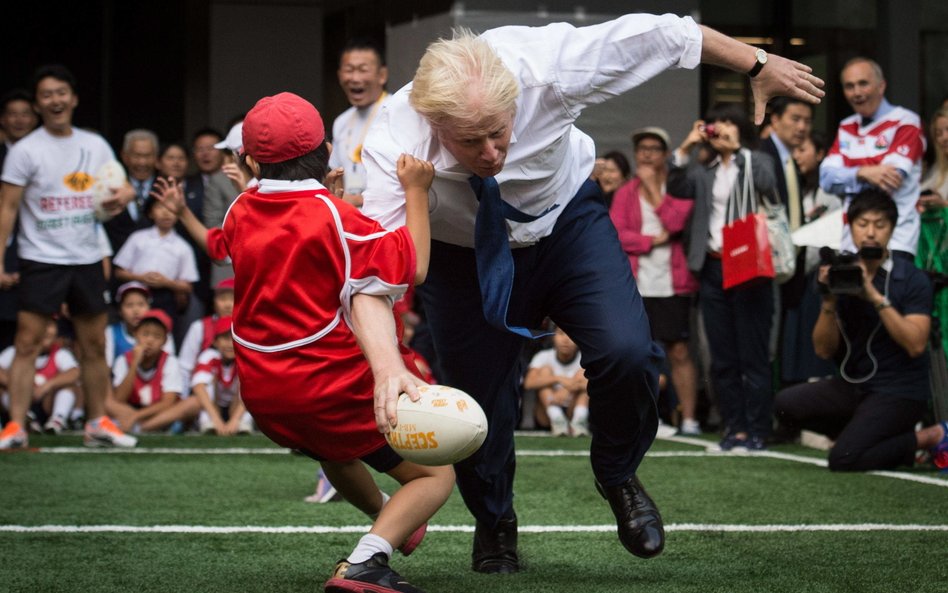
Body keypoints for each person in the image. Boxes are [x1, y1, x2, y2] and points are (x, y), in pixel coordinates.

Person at [359, 16, 823, 571]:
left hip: (566, 228)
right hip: (463, 255)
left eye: (499, 132)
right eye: (469, 140)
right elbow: (374, 275)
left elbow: (665, 35)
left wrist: (757, 62)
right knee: (480, 407)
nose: (489, 153)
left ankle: (618, 473)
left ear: (517, 101)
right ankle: (494, 522)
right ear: (433, 123)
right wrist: (386, 366)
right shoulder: (395, 139)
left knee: (628, 351)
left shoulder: (548, 68)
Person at [153, 91, 453, 593]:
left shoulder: (240, 210)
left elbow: (217, 245)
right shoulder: (336, 217)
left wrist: (185, 213)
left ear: (248, 161)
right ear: (329, 151)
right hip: (326, 384)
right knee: (435, 476)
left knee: (335, 454)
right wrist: (416, 188)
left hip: (265, 394)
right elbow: (415, 265)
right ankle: (365, 562)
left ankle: (390, 519)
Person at [0, 64, 137, 449]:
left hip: (87, 255)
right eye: (47, 94)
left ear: (73, 99)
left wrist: (125, 195)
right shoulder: (25, 150)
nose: (55, 100)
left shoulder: (94, 145)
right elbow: (7, 208)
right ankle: (16, 427)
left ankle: (97, 422)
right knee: (27, 343)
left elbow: (122, 185)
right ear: (37, 104)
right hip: (41, 256)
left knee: (93, 344)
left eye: (62, 92)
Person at [774, 188, 947, 471]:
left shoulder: (911, 279)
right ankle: (863, 436)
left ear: (891, 229)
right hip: (853, 385)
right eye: (862, 224)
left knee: (844, 459)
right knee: (784, 404)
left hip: (899, 389)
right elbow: (823, 349)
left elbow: (916, 344)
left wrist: (875, 297)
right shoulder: (843, 273)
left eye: (879, 225)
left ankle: (930, 435)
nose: (870, 233)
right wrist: (829, 301)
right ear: (850, 227)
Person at [668, 104, 779, 451]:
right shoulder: (705, 171)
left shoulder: (757, 161)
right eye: (718, 125)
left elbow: (768, 186)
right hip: (713, 266)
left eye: (730, 122)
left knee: (753, 354)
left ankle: (759, 427)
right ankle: (735, 427)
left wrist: (739, 153)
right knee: (723, 356)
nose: (723, 129)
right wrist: (687, 146)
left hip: (750, 265)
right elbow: (675, 185)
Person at [611, 126, 700, 436]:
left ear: (666, 154)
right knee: (640, 352)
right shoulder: (624, 192)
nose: (646, 153)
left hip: (673, 281)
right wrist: (651, 240)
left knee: (679, 352)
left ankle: (689, 420)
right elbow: (618, 234)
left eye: (654, 148)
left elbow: (676, 222)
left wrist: (652, 189)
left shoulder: (677, 185)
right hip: (637, 282)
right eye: (641, 148)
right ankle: (650, 419)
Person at [820, 57, 925, 259]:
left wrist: (845, 177)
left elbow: (889, 180)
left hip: (896, 241)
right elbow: (825, 180)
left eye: (863, 83)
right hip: (851, 243)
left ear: (881, 86)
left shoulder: (905, 121)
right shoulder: (846, 126)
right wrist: (863, 173)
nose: (857, 92)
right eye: (849, 86)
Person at [113, 195, 199, 326]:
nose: (166, 213)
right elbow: (119, 272)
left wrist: (167, 282)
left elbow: (187, 286)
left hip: (166, 297)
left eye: (171, 209)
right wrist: (140, 277)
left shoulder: (183, 247)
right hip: (136, 293)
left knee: (162, 330)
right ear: (151, 213)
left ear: (178, 214)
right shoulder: (137, 238)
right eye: (160, 207)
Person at [106, 308, 192, 433]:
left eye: (157, 336)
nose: (150, 341)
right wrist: (134, 364)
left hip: (157, 412)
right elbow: (119, 399)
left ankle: (140, 427)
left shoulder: (170, 361)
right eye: (145, 334)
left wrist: (136, 417)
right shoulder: (123, 360)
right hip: (129, 409)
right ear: (136, 334)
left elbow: (168, 402)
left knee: (192, 403)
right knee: (106, 401)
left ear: (165, 341)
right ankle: (150, 426)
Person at [329, 38, 390, 208]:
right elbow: (335, 173)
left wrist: (357, 200)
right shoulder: (341, 122)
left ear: (382, 75)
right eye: (349, 70)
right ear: (340, 75)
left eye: (363, 70)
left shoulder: (396, 113)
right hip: (350, 220)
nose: (355, 78)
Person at [0, 89, 38, 351]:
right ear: (3, 119)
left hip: (35, 256)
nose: (19, 120)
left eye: (25, 114)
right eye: (12, 114)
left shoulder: (45, 153)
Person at [0, 318, 78, 435]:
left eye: (50, 326)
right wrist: (17, 386)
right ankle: (24, 418)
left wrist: (47, 385)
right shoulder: (14, 351)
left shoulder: (60, 353)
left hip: (46, 403)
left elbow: (75, 372)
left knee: (70, 386)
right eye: (44, 326)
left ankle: (57, 420)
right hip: (17, 401)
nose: (47, 331)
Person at [190, 315, 251, 435]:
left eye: (233, 338)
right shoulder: (209, 356)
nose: (229, 344)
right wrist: (216, 419)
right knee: (205, 387)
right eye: (225, 338)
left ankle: (243, 422)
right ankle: (208, 422)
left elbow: (253, 391)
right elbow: (198, 387)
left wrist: (234, 419)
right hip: (215, 407)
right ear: (215, 341)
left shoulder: (246, 358)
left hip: (237, 407)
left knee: (247, 385)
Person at [523, 325, 588, 437]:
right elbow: (528, 383)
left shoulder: (585, 358)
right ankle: (557, 419)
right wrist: (558, 379)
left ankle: (579, 421)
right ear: (553, 337)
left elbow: (598, 383)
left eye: (571, 335)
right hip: (547, 411)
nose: (566, 339)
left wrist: (569, 389)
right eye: (561, 333)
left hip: (572, 409)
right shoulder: (543, 356)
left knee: (583, 374)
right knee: (545, 371)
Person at [107, 128, 159, 252]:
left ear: (156, 158)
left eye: (147, 156)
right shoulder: (111, 187)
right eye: (137, 156)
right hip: (119, 265)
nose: (142, 162)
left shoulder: (164, 188)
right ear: (125, 157)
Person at [177, 277, 235, 390]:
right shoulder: (199, 327)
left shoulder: (248, 328)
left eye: (233, 299)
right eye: (223, 299)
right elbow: (185, 367)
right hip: (204, 391)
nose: (228, 305)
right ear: (214, 302)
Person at [105, 281, 176, 369]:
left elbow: (168, 364)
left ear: (149, 307)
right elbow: (106, 367)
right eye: (129, 305)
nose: (136, 311)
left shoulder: (163, 331)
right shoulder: (110, 332)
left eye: (141, 304)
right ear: (120, 310)